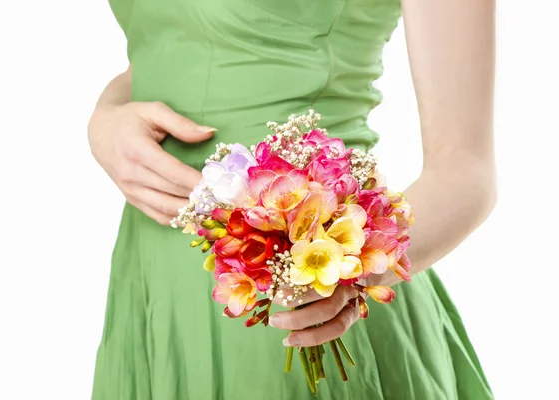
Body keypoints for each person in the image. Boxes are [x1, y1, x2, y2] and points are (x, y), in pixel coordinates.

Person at [88, 0, 497, 399]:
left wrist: (351, 274)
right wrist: (105, 118)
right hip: (150, 276)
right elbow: (170, 46)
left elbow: (465, 166)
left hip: (307, 295)